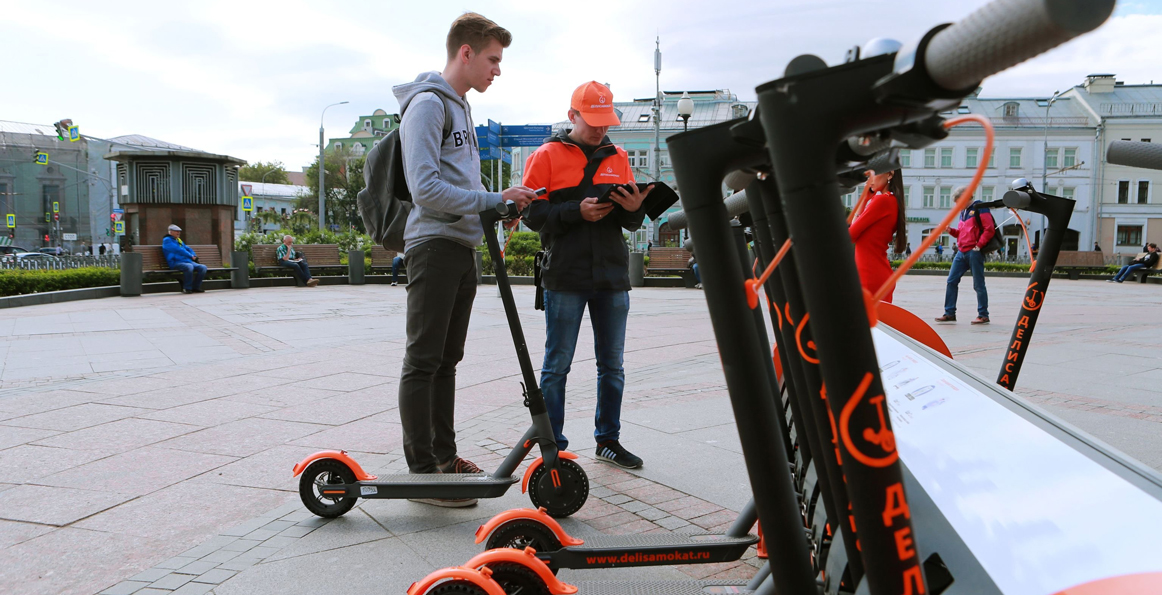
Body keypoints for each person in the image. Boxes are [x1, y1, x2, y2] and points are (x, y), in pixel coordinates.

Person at [392, 12, 536, 504]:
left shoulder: (463, 109)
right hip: (432, 245)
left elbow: (461, 187)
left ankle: (444, 458)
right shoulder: (429, 105)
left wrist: (500, 203)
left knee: (446, 362)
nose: (498, 69)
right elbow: (426, 189)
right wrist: (491, 200)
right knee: (423, 359)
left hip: (461, 247)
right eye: (493, 59)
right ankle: (423, 473)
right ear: (466, 53)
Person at [523, 81, 652, 470]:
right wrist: (574, 211)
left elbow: (630, 223)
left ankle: (608, 441)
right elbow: (531, 215)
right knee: (556, 365)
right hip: (565, 275)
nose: (600, 130)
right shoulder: (545, 155)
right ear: (572, 115)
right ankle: (554, 446)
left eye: (605, 122)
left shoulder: (620, 156)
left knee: (612, 364)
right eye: (592, 121)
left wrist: (634, 208)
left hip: (612, 275)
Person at [935, 190, 996, 324]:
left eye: (958, 202)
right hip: (961, 251)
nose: (957, 206)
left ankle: (983, 314)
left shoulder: (980, 208)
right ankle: (949, 313)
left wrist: (979, 246)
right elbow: (961, 234)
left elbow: (989, 228)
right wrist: (950, 231)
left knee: (978, 284)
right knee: (951, 281)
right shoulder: (964, 212)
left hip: (974, 251)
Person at [849, 169, 907, 303]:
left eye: (874, 173)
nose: (870, 179)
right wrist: (865, 199)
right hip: (875, 274)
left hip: (869, 275)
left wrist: (864, 200)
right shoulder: (890, 201)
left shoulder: (881, 201)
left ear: (890, 174)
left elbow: (851, 235)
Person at [162, 224, 206, 294]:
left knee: (203, 267)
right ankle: (187, 288)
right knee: (189, 267)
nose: (178, 233)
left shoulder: (179, 240)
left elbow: (188, 248)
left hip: (186, 261)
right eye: (176, 231)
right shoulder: (167, 240)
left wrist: (194, 255)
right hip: (175, 263)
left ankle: (196, 287)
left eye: (179, 231)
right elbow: (178, 250)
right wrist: (190, 256)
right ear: (170, 232)